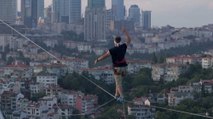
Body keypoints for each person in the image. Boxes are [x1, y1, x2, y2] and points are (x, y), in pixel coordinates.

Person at [94, 28, 131, 102]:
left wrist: (97, 60)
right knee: (118, 82)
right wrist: (125, 31)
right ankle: (116, 95)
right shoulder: (124, 46)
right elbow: (129, 39)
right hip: (124, 68)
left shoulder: (112, 50)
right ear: (120, 41)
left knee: (118, 82)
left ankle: (122, 97)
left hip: (117, 68)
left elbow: (104, 56)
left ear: (114, 42)